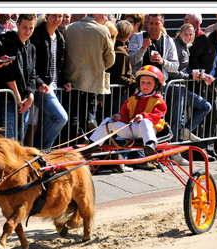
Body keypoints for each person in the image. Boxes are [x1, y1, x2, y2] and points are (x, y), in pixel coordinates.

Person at [82, 65, 167, 159]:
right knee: (108, 121)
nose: (145, 85)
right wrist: (118, 117)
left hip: (147, 131)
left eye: (149, 83)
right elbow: (125, 115)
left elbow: (156, 116)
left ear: (157, 85)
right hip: (131, 130)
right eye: (142, 82)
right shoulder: (132, 99)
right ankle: (91, 147)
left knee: (145, 121)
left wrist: (143, 116)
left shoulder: (158, 101)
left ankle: (150, 145)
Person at [63, 14, 115, 144]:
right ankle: (83, 141)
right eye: (104, 14)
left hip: (71, 80)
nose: (106, 18)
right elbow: (110, 59)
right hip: (93, 81)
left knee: (73, 114)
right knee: (86, 114)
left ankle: (74, 143)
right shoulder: (103, 30)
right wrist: (98, 67)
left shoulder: (69, 28)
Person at [189, 17, 217, 162]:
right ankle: (199, 150)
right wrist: (202, 74)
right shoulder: (205, 39)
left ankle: (209, 148)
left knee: (214, 117)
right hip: (199, 85)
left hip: (214, 87)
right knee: (202, 118)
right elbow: (192, 59)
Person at [166, 23, 212, 166]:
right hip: (174, 87)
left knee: (205, 106)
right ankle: (174, 153)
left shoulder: (186, 47)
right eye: (185, 34)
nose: (188, 37)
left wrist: (201, 74)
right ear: (180, 33)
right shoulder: (176, 46)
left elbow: (188, 67)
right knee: (175, 121)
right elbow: (173, 72)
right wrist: (191, 76)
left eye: (190, 34)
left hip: (181, 88)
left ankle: (185, 132)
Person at [27, 14, 69, 149]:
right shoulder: (37, 34)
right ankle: (42, 150)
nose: (57, 19)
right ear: (47, 15)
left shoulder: (60, 37)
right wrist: (39, 82)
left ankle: (41, 153)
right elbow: (31, 63)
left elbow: (59, 65)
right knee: (60, 117)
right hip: (41, 87)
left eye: (60, 16)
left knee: (46, 122)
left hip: (55, 86)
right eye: (54, 15)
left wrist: (64, 81)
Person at [0, 14, 37, 142]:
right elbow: (8, 74)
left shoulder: (31, 47)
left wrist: (30, 96)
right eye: (25, 27)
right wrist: (18, 98)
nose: (28, 31)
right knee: (9, 142)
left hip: (24, 102)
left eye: (31, 28)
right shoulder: (9, 43)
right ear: (17, 25)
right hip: (9, 101)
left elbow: (33, 74)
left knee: (19, 142)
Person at [128, 14, 179, 82]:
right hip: (139, 84)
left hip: (159, 85)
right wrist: (142, 49)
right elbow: (131, 61)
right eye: (151, 23)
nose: (153, 26)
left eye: (157, 24)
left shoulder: (168, 41)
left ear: (162, 24)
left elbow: (175, 67)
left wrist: (162, 62)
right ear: (147, 23)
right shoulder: (137, 37)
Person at [104, 20, 136, 118]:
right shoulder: (121, 53)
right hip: (118, 96)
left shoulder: (110, 48)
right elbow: (120, 77)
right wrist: (136, 82)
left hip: (109, 94)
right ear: (129, 35)